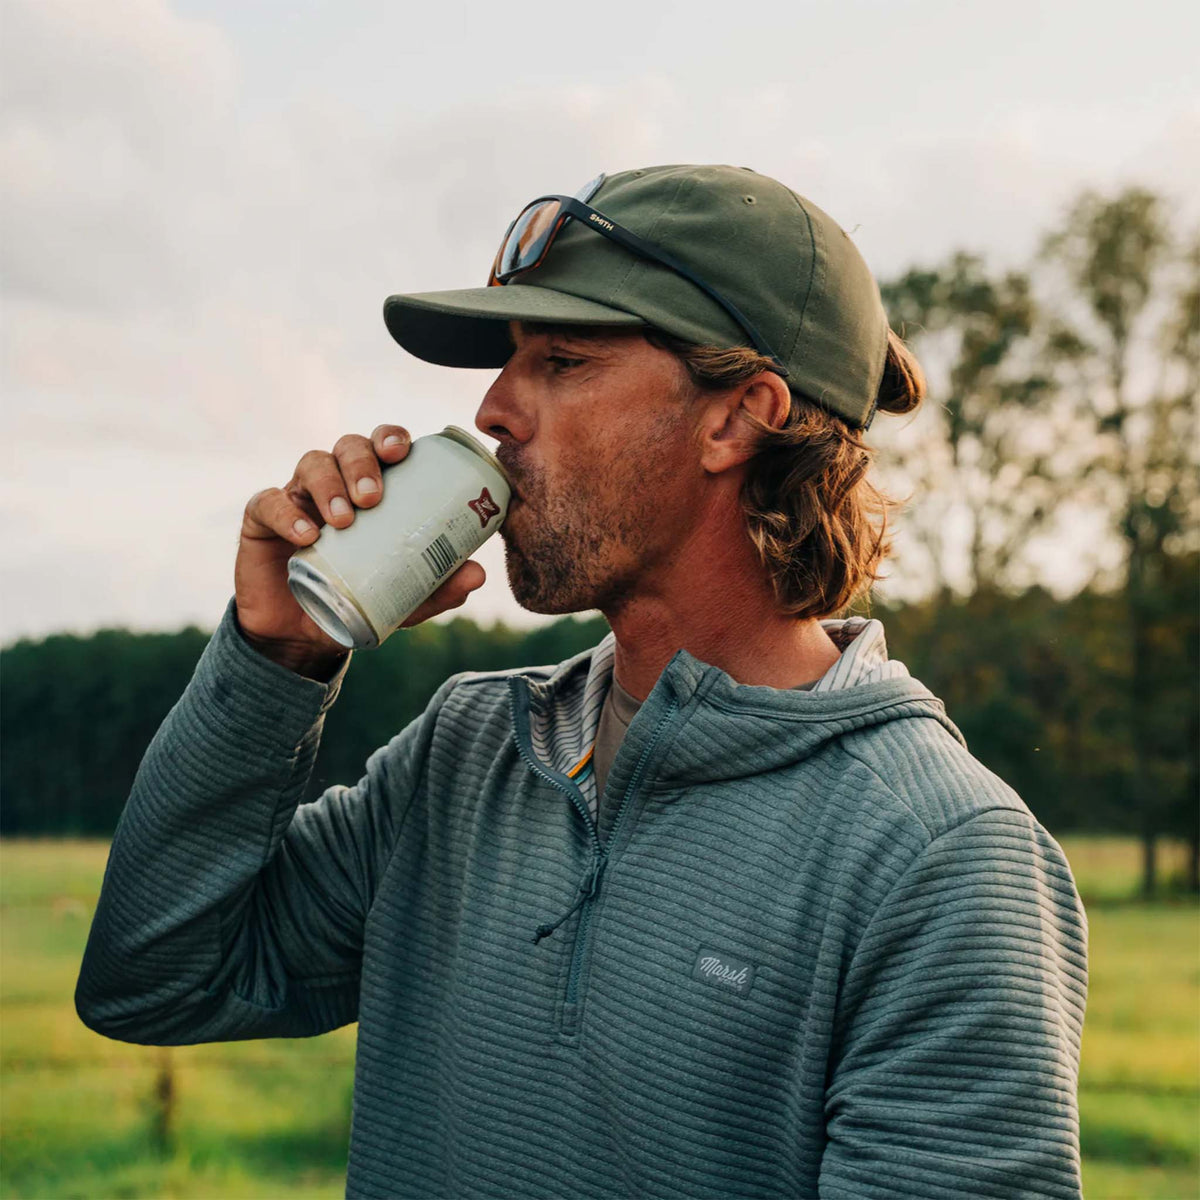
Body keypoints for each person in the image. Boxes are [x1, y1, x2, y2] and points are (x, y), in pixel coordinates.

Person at [76, 165, 1088, 1199]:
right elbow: (152, 984)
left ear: (737, 418)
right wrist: (279, 656)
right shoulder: (467, 754)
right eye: (511, 364)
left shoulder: (942, 861)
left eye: (561, 360)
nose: (494, 411)